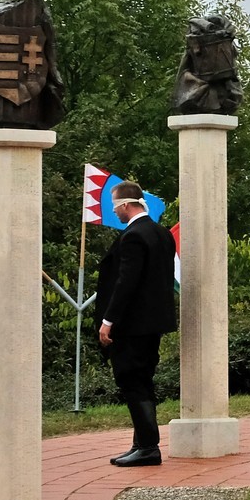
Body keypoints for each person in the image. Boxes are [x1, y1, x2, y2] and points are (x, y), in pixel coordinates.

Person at [96, 182, 178, 467]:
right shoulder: (161, 233)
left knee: (131, 379)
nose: (114, 212)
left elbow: (126, 282)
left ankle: (147, 447)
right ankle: (141, 442)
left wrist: (108, 320)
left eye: (114, 206)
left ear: (125, 205)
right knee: (143, 379)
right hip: (154, 323)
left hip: (132, 325)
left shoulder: (133, 236)